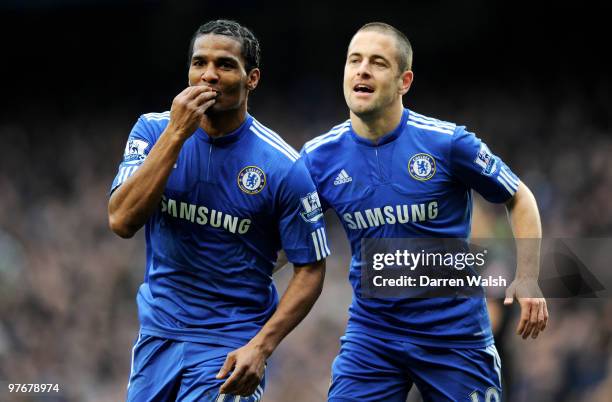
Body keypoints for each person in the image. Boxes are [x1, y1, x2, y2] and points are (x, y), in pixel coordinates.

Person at [300, 22, 548, 401]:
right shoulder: (318, 158)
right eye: (355, 60)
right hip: (373, 336)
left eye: (378, 63)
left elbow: (519, 196)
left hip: (454, 337)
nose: (362, 70)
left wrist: (527, 276)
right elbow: (289, 239)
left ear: (405, 81)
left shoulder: (447, 143)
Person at [108, 19, 328, 401]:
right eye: (199, 63)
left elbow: (311, 266)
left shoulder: (281, 167)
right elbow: (122, 220)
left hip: (229, 344)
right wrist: (176, 134)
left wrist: (261, 346)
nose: (208, 75)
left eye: (224, 65)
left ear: (251, 78)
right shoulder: (152, 132)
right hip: (158, 337)